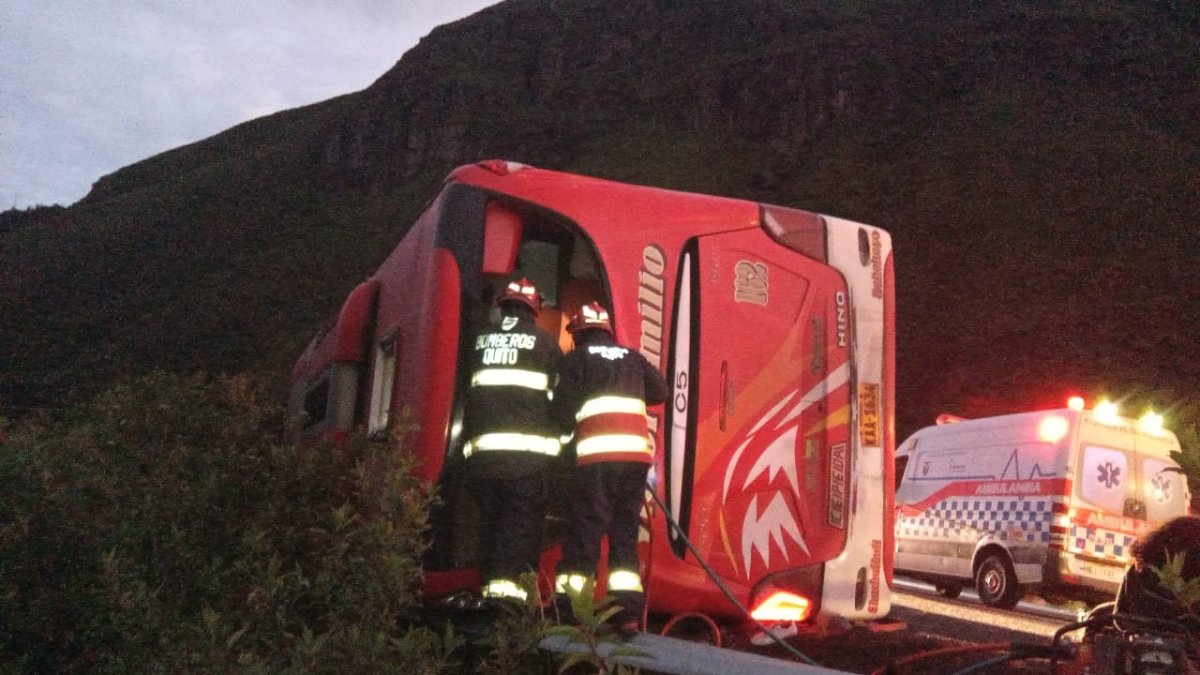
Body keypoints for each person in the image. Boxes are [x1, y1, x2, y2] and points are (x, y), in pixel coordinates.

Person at [551, 301, 667, 632]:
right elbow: (660, 390)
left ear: (579, 334)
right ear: (607, 331)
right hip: (634, 460)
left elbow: (561, 408)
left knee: (586, 529)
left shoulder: (578, 359)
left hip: (597, 457)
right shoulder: (632, 357)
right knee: (624, 533)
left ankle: (573, 609)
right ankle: (627, 612)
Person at [461, 277, 563, 608]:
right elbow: (561, 402)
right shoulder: (545, 344)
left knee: (489, 524)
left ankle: (489, 590)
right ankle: (506, 603)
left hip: (482, 460)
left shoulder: (478, 341)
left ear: (502, 305)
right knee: (518, 528)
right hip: (526, 461)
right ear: (534, 309)